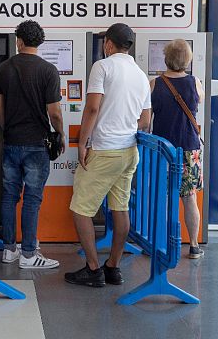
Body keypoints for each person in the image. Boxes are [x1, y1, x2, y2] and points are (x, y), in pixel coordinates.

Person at [65, 23, 151, 287]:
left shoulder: (102, 67)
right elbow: (145, 120)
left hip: (104, 150)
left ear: (109, 44)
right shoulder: (141, 75)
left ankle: (93, 270)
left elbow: (92, 108)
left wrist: (82, 142)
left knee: (81, 209)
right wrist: (123, 126)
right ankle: (113, 266)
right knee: (120, 208)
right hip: (129, 151)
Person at [0, 20, 64, 269]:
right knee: (32, 199)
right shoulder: (48, 70)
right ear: (39, 42)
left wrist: (8, 128)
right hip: (37, 143)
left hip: (12, 141)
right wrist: (61, 133)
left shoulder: (3, 69)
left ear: (19, 41)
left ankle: (9, 250)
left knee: (10, 196)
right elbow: (54, 112)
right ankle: (29, 254)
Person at [150, 39, 205, 259]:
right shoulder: (195, 83)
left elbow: (146, 120)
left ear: (166, 58)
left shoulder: (154, 84)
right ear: (188, 59)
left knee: (161, 197)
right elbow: (198, 101)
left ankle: (160, 243)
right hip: (189, 149)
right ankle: (193, 245)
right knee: (189, 197)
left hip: (163, 150)